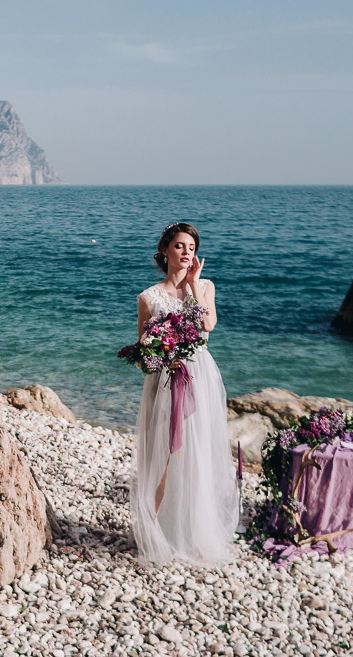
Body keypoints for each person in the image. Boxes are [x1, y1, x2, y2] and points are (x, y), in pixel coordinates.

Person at [130, 222, 239, 567]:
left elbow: (208, 325)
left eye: (192, 247)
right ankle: (157, 533)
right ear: (165, 250)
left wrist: (193, 284)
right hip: (165, 381)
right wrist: (160, 352)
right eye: (179, 246)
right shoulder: (148, 298)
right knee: (164, 456)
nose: (187, 253)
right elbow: (142, 353)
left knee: (197, 454)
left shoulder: (205, 286)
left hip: (200, 377)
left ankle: (195, 533)